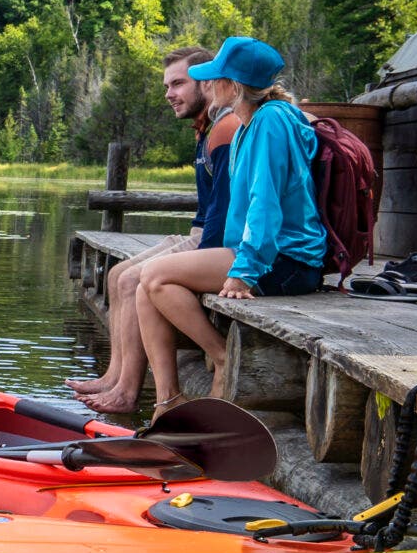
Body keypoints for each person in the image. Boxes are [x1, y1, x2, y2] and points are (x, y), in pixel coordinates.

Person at [127, 36, 327, 409]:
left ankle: (221, 358)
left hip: (285, 261)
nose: (205, 85)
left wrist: (244, 272)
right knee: (144, 284)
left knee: (154, 275)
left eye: (212, 78)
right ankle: (167, 402)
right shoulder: (249, 124)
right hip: (257, 253)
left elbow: (265, 205)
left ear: (233, 86)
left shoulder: (270, 123)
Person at [67, 47, 229, 417]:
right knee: (117, 274)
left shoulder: (225, 127)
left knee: (132, 281)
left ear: (206, 82)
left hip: (212, 242)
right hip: (200, 234)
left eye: (178, 84)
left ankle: (127, 391)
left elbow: (224, 214)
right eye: (166, 85)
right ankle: (115, 376)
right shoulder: (204, 128)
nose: (169, 93)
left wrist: (197, 251)